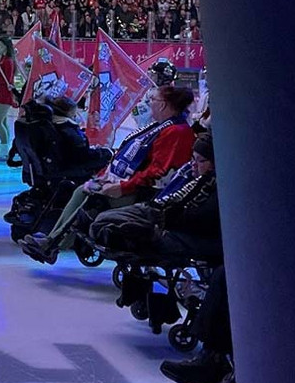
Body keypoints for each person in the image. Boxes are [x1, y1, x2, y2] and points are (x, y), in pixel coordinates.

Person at [20, 85, 197, 263]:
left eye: (152, 100)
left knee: (92, 197)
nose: (149, 104)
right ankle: (53, 241)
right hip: (135, 184)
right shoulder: (160, 127)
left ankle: (54, 243)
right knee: (83, 190)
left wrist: (121, 187)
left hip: (148, 192)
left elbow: (158, 172)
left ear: (164, 105)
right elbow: (124, 157)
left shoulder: (176, 132)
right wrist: (104, 177)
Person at [88, 133, 220, 259]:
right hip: (158, 209)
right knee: (102, 219)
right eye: (193, 158)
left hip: (168, 221)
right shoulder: (189, 173)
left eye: (201, 161)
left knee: (103, 222)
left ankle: (116, 234)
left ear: (214, 165)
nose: (194, 165)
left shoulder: (212, 189)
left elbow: (195, 218)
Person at [0, 37, 18, 159]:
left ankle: (4, 146)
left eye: (1, 46)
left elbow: (7, 79)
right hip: (0, 92)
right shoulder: (3, 59)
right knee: (3, 121)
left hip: (5, 94)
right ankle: (5, 147)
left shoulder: (9, 61)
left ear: (7, 47)